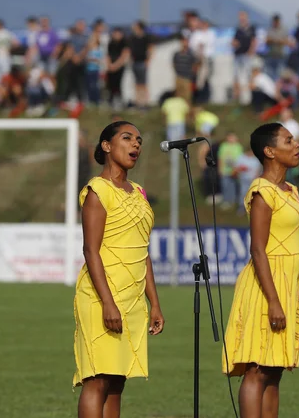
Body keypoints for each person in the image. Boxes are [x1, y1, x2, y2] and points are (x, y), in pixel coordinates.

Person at [222, 122, 299, 418]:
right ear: (270, 151)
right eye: (288, 141)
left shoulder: (291, 190)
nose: (297, 145)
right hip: (265, 286)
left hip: (291, 282)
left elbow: (295, 246)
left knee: (275, 369)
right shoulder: (262, 191)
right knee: (257, 369)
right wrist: (274, 301)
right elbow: (258, 249)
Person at [75, 121, 165, 418]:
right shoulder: (97, 190)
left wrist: (154, 303)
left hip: (133, 298)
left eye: (139, 140)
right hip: (102, 296)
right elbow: (91, 250)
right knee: (97, 380)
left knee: (117, 381)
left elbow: (143, 250)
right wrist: (108, 302)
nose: (135, 145)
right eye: (127, 138)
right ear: (106, 146)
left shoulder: (138, 191)